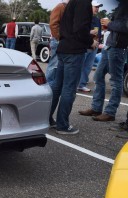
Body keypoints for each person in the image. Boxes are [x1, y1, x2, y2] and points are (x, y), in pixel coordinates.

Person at [50, 0, 97, 135]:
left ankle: (47, 118)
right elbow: (80, 28)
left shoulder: (72, 2)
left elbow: (68, 26)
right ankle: (62, 125)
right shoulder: (83, 2)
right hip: (74, 50)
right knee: (69, 89)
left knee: (57, 86)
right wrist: (91, 41)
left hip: (64, 48)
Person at [79, 0, 128, 123]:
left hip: (118, 47)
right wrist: (109, 25)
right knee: (98, 76)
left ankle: (110, 113)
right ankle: (96, 108)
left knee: (116, 81)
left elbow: (125, 26)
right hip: (110, 45)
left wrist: (110, 24)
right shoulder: (122, 5)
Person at [77, 1, 103, 92]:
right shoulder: (83, 17)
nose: (97, 9)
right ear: (89, 7)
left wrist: (97, 42)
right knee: (79, 66)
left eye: (98, 7)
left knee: (87, 67)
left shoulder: (97, 19)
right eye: (95, 7)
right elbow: (79, 30)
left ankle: (81, 84)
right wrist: (90, 32)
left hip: (94, 47)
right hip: (84, 46)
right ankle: (74, 84)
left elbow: (99, 33)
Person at [46, 0, 69, 89]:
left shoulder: (65, 7)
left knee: (57, 64)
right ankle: (48, 86)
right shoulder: (61, 6)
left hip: (60, 40)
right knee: (54, 65)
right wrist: (59, 38)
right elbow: (53, 24)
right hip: (57, 41)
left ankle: (52, 85)